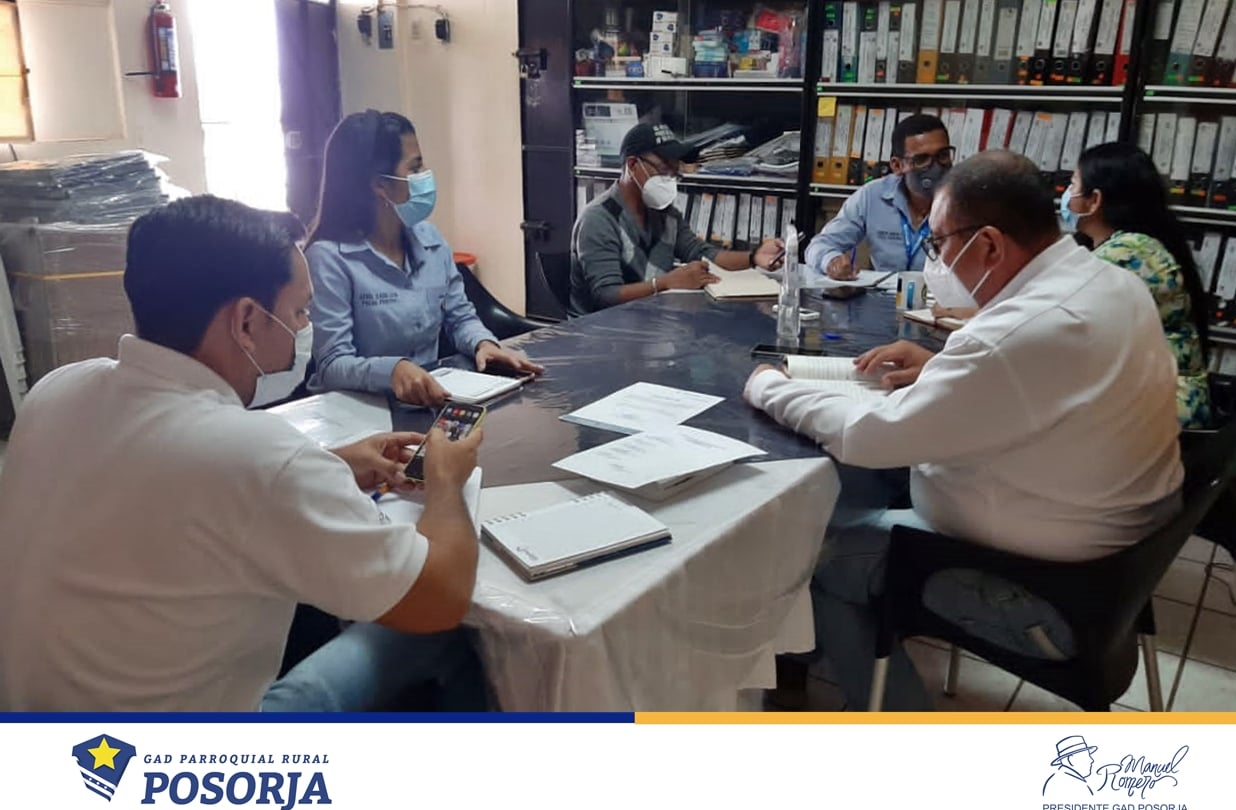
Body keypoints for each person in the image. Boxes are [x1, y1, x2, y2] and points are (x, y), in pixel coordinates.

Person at [0, 196, 489, 712]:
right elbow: (438, 597)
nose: (305, 328)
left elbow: (152, 484)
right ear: (247, 321)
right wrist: (445, 483)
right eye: (299, 311)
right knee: (444, 633)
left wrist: (330, 466)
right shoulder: (258, 456)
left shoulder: (57, 390)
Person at [744, 151, 1183, 710]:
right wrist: (943, 365)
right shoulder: (1113, 284)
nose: (938, 260)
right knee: (865, 493)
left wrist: (768, 386)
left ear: (991, 245)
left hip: (1045, 592)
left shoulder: (1014, 335)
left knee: (814, 560)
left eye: (940, 243)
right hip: (1117, 567)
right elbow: (1036, 379)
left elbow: (868, 436)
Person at [306, 110, 542, 407]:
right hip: (359, 410)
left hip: (429, 400)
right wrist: (392, 371)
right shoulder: (329, 258)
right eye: (415, 168)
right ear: (380, 185)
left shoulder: (429, 238)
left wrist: (483, 343)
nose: (425, 176)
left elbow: (460, 317)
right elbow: (331, 365)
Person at [1062, 142, 1212, 428]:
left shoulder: (1129, 251)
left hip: (1164, 408)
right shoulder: (1127, 244)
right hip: (1147, 398)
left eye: (1073, 184)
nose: (1066, 194)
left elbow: (1053, 310)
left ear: (1094, 200)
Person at [569, 121, 784, 316]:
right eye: (664, 169)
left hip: (649, 319)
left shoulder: (665, 214)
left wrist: (754, 257)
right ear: (633, 165)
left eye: (674, 173)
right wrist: (665, 283)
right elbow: (605, 296)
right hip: (600, 330)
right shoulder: (598, 219)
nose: (669, 180)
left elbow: (703, 253)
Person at [805, 114, 953, 279]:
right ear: (897, 165)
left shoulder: (965, 200)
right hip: (886, 293)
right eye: (922, 159)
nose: (935, 167)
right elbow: (819, 245)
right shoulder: (872, 196)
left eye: (943, 155)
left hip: (941, 293)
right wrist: (831, 261)